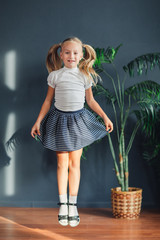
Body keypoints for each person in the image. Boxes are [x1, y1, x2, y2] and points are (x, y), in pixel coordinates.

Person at [31, 37, 113, 227]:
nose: (71, 56)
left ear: (82, 55)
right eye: (67, 52)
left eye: (75, 53)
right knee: (62, 162)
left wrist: (105, 117)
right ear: (61, 54)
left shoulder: (85, 76)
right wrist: (38, 122)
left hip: (79, 121)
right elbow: (47, 101)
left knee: (75, 164)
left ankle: (73, 205)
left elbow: (91, 101)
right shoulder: (55, 76)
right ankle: (63, 205)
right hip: (59, 120)